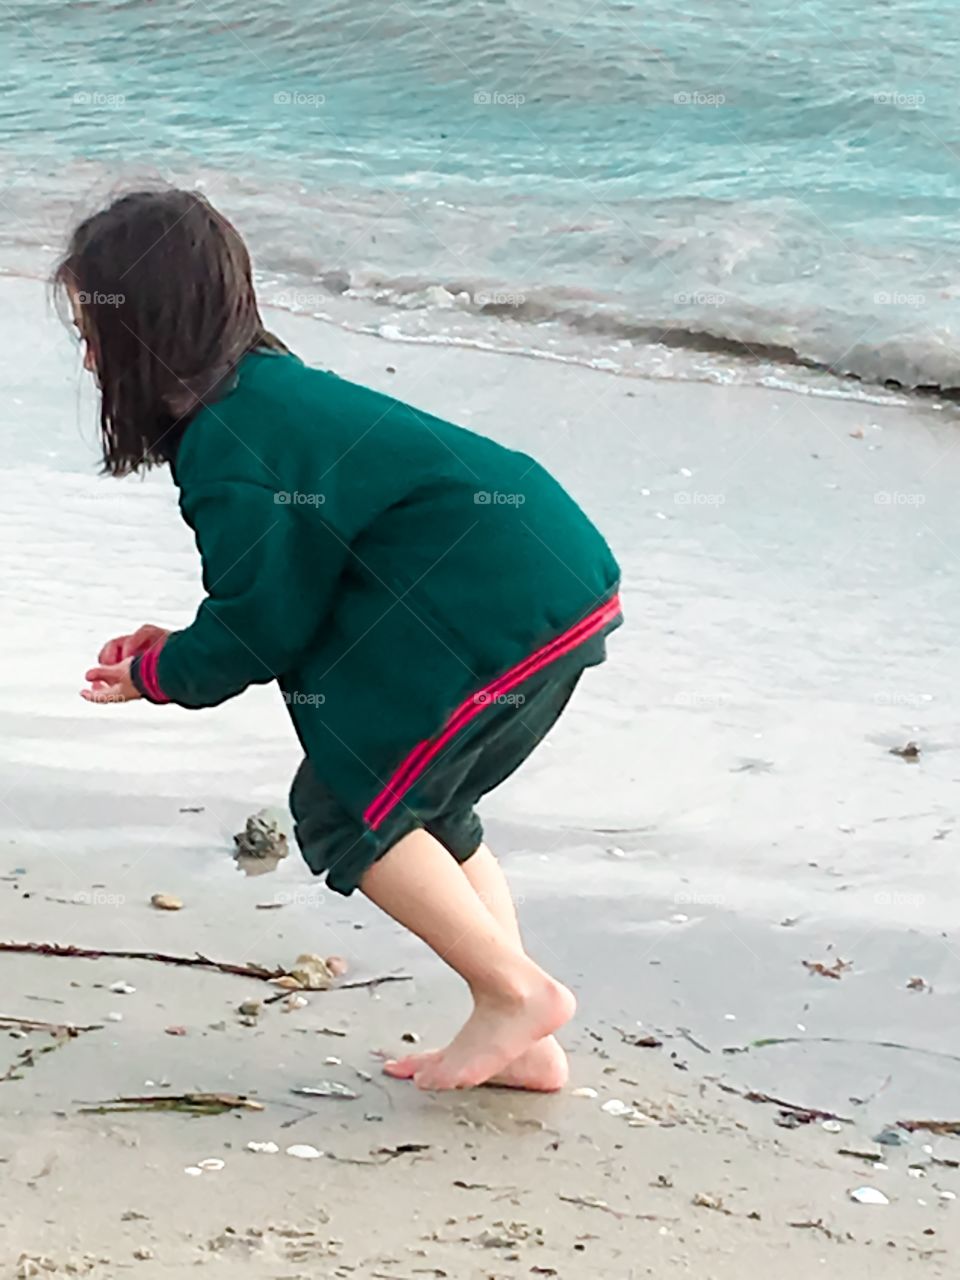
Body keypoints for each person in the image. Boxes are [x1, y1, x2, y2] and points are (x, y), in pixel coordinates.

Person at [60, 188, 622, 1092]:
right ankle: (524, 1036)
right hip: (545, 575)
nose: (88, 353)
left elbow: (262, 623)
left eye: (96, 329)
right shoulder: (267, 396)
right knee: (420, 803)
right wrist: (185, 643)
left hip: (492, 596)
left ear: (152, 329)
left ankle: (514, 992)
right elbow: (282, 588)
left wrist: (165, 672)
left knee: (341, 809)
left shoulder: (230, 442)